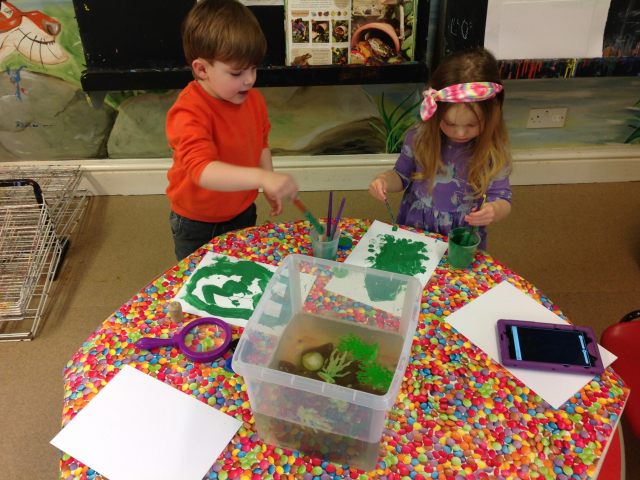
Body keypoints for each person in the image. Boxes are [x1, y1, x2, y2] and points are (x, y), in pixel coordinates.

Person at [166, 0, 298, 261]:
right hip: (196, 222)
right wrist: (261, 179)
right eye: (237, 72)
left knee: (243, 276)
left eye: (253, 68)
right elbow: (202, 171)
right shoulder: (189, 111)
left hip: (242, 212)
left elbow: (261, 143)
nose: (249, 79)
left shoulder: (254, 99)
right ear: (202, 69)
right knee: (195, 285)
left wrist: (268, 179)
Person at [369, 48, 512, 251]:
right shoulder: (419, 137)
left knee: (456, 280)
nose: (460, 133)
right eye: (450, 123)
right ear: (435, 114)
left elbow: (502, 198)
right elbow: (401, 175)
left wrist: (493, 210)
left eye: (472, 125)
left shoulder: (493, 149)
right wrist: (383, 179)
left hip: (461, 233)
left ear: (491, 116)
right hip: (417, 222)